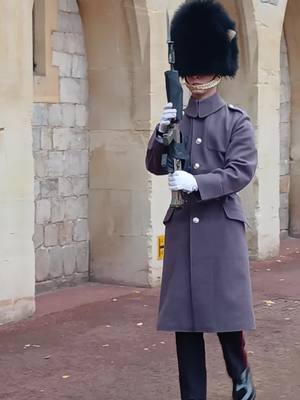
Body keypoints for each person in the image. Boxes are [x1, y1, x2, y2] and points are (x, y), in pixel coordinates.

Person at [145, 1, 257, 400]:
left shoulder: (235, 121)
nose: (196, 76)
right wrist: (161, 132)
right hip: (182, 232)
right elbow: (154, 164)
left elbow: (240, 171)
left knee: (226, 319)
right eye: (191, 68)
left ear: (218, 69)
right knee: (186, 325)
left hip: (219, 229)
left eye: (203, 67)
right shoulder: (176, 116)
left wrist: (198, 181)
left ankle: (241, 379)